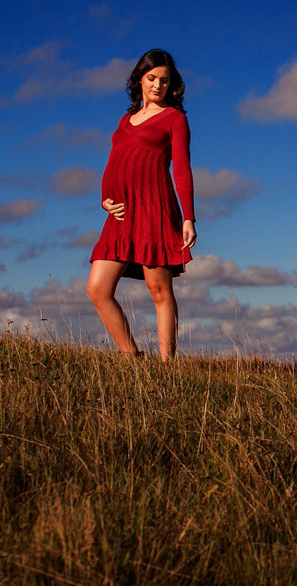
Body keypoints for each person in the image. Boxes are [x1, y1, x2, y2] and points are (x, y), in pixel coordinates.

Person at [88, 49, 196, 361]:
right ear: (140, 79)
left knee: (159, 290)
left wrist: (188, 218)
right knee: (98, 288)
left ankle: (166, 367)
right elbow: (114, 160)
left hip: (154, 209)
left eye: (165, 80)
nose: (158, 85)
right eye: (152, 78)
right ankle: (131, 358)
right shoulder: (125, 120)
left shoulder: (175, 119)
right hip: (121, 214)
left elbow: (182, 169)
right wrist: (105, 198)